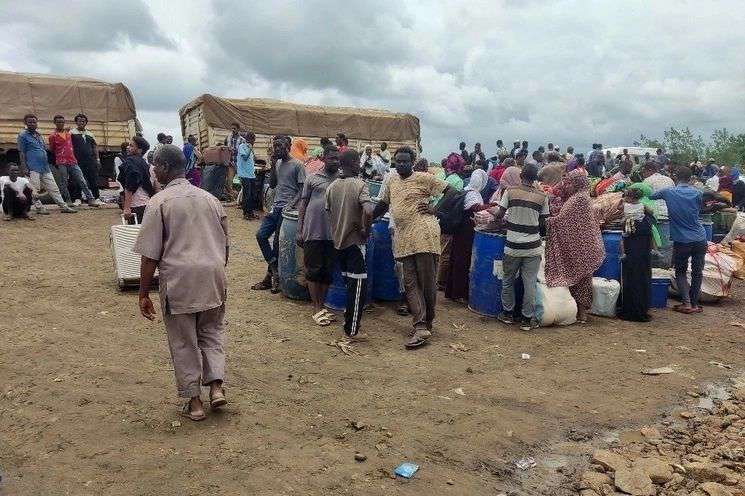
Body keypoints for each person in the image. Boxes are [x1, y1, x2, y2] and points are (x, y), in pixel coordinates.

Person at [133, 144, 229, 422]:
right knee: (211, 332)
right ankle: (217, 388)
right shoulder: (210, 199)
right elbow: (225, 244)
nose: (153, 170)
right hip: (212, 276)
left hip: (180, 280)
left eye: (155, 166)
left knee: (184, 339)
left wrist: (142, 294)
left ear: (163, 167)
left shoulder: (159, 202)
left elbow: (149, 256)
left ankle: (195, 403)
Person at [374, 146, 449, 348]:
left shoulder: (424, 178)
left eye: (405, 161)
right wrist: (367, 220)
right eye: (398, 161)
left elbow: (452, 192)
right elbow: (383, 204)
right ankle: (421, 325)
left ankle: (427, 322)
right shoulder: (391, 179)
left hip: (425, 236)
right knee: (409, 283)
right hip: (404, 238)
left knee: (426, 284)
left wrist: (436, 208)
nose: (401, 164)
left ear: (412, 162)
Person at [490, 164, 549, 330]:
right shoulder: (542, 196)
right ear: (535, 177)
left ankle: (508, 314)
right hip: (533, 246)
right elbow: (543, 222)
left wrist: (491, 212)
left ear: (521, 175)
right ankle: (526, 319)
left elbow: (499, 215)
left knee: (508, 280)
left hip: (513, 246)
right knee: (529, 283)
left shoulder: (510, 192)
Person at [324, 149, 373, 338]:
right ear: (353, 164)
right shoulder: (360, 185)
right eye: (358, 162)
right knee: (358, 287)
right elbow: (368, 211)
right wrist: (365, 232)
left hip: (338, 243)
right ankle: (351, 331)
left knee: (348, 284)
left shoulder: (332, 186)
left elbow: (328, 212)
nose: (360, 164)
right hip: (354, 244)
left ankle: (348, 319)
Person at [545, 169, 605, 323]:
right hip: (583, 245)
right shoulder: (581, 197)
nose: (567, 185)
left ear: (578, 183)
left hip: (579, 247)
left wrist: (547, 221)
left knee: (580, 280)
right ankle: (580, 313)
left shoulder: (578, 199)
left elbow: (562, 220)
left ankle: (582, 314)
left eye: (570, 182)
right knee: (582, 279)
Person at [649, 166, 707, 314]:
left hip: (682, 240)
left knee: (680, 270)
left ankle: (686, 303)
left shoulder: (668, 192)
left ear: (675, 177)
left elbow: (650, 196)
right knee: (697, 272)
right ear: (690, 178)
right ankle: (694, 304)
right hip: (700, 238)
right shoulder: (697, 192)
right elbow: (701, 206)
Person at [252, 135, 306, 292]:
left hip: (288, 211)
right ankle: (274, 270)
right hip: (275, 207)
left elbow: (303, 190)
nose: (277, 149)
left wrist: (291, 205)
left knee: (276, 243)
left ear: (288, 147)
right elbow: (274, 184)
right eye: (275, 146)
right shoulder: (278, 163)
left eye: (280, 146)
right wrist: (273, 164)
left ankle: (272, 279)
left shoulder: (298, 165)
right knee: (261, 236)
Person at [297, 146, 339, 326]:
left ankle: (322, 306)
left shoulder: (342, 180)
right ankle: (316, 308)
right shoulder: (312, 178)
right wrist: (300, 229)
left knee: (327, 272)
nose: (335, 161)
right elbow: (303, 204)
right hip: (313, 230)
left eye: (337, 159)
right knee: (313, 270)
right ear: (323, 158)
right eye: (331, 158)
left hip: (333, 233)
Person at [445, 169, 491, 303]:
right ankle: (459, 294)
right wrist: (495, 205)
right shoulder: (473, 195)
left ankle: (452, 292)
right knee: (463, 261)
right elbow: (477, 209)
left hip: (460, 231)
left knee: (456, 259)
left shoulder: (465, 190)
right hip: (466, 232)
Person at [17, 114, 76, 215]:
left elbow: (43, 148)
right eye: (30, 122)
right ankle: (39, 208)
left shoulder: (38, 135)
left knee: (53, 187)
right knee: (34, 189)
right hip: (33, 166)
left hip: (45, 166)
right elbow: (21, 152)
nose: (32, 124)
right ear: (25, 123)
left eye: (34, 122)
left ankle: (63, 206)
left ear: (37, 123)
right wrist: (24, 167)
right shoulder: (22, 135)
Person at [617, 187, 654, 322]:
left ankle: (631, 310)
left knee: (631, 279)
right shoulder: (646, 214)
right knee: (643, 278)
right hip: (644, 251)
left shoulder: (627, 215)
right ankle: (642, 309)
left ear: (630, 198)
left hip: (631, 251)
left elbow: (624, 234)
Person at [48, 115, 100, 207]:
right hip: (61, 161)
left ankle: (91, 199)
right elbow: (52, 149)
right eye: (58, 122)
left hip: (72, 160)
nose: (60, 124)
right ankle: (68, 200)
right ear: (55, 123)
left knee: (81, 179)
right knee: (64, 182)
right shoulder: (53, 136)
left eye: (62, 122)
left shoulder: (68, 133)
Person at [121, 136, 155, 224]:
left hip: (136, 206)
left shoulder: (130, 162)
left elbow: (129, 186)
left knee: (135, 234)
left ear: (140, 150)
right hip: (147, 204)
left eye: (131, 146)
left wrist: (127, 207)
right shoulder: (144, 163)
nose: (128, 147)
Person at [70, 113, 101, 203]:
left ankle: (97, 198)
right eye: (79, 121)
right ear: (76, 122)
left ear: (86, 123)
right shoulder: (71, 133)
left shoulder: (90, 134)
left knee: (93, 179)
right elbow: (69, 147)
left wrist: (97, 159)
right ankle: (77, 198)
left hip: (90, 160)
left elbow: (95, 147)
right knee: (77, 179)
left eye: (83, 121)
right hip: (77, 160)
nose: (81, 123)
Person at [237, 132, 257, 220]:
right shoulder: (242, 146)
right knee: (247, 194)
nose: (253, 142)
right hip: (244, 174)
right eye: (252, 140)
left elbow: (253, 159)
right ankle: (246, 213)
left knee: (252, 194)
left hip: (251, 174)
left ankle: (251, 212)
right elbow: (245, 158)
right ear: (248, 139)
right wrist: (250, 149)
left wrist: (252, 150)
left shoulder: (250, 148)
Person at [223, 123, 245, 202]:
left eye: (234, 128)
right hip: (231, 163)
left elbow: (244, 152)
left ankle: (242, 198)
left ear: (238, 129)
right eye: (232, 128)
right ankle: (231, 197)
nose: (233, 130)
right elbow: (225, 149)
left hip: (239, 164)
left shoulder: (242, 140)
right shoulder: (227, 138)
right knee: (229, 181)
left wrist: (236, 151)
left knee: (243, 181)